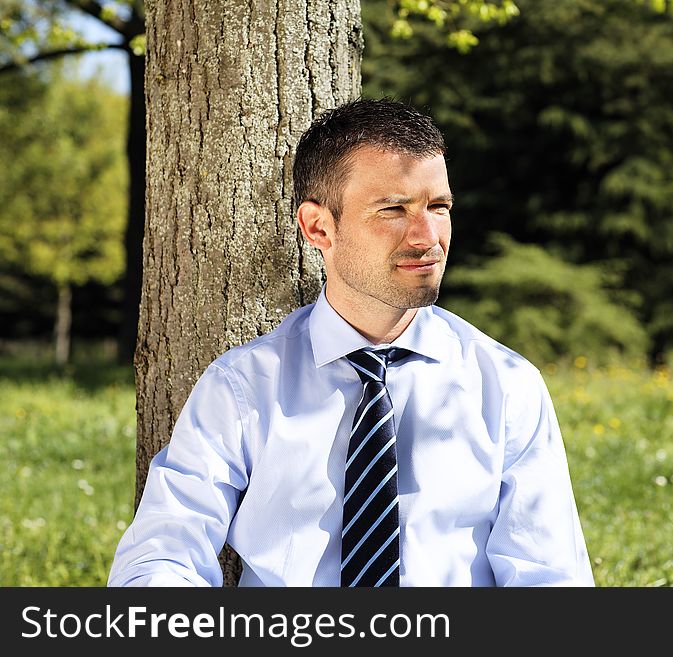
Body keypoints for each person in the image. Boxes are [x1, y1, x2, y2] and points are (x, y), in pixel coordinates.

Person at [108, 98, 594, 587]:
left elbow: (551, 580)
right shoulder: (243, 389)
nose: (427, 237)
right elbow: (161, 556)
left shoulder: (506, 386)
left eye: (438, 207)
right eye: (393, 210)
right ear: (318, 227)